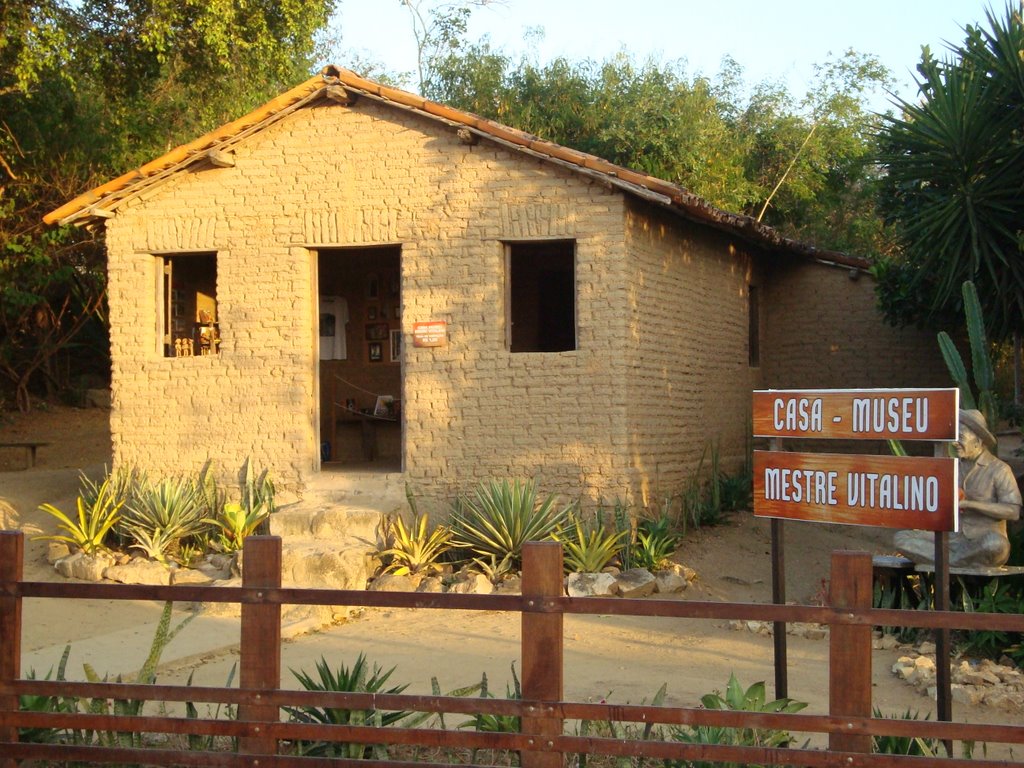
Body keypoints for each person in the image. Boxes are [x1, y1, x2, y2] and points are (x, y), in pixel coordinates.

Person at [893, 409, 1021, 567]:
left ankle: (947, 560)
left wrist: (969, 504)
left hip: (982, 541)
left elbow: (1013, 511)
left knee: (996, 546)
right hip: (952, 539)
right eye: (954, 438)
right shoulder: (952, 467)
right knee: (902, 538)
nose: (954, 443)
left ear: (978, 440)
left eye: (960, 437)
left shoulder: (999, 469)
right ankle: (958, 561)